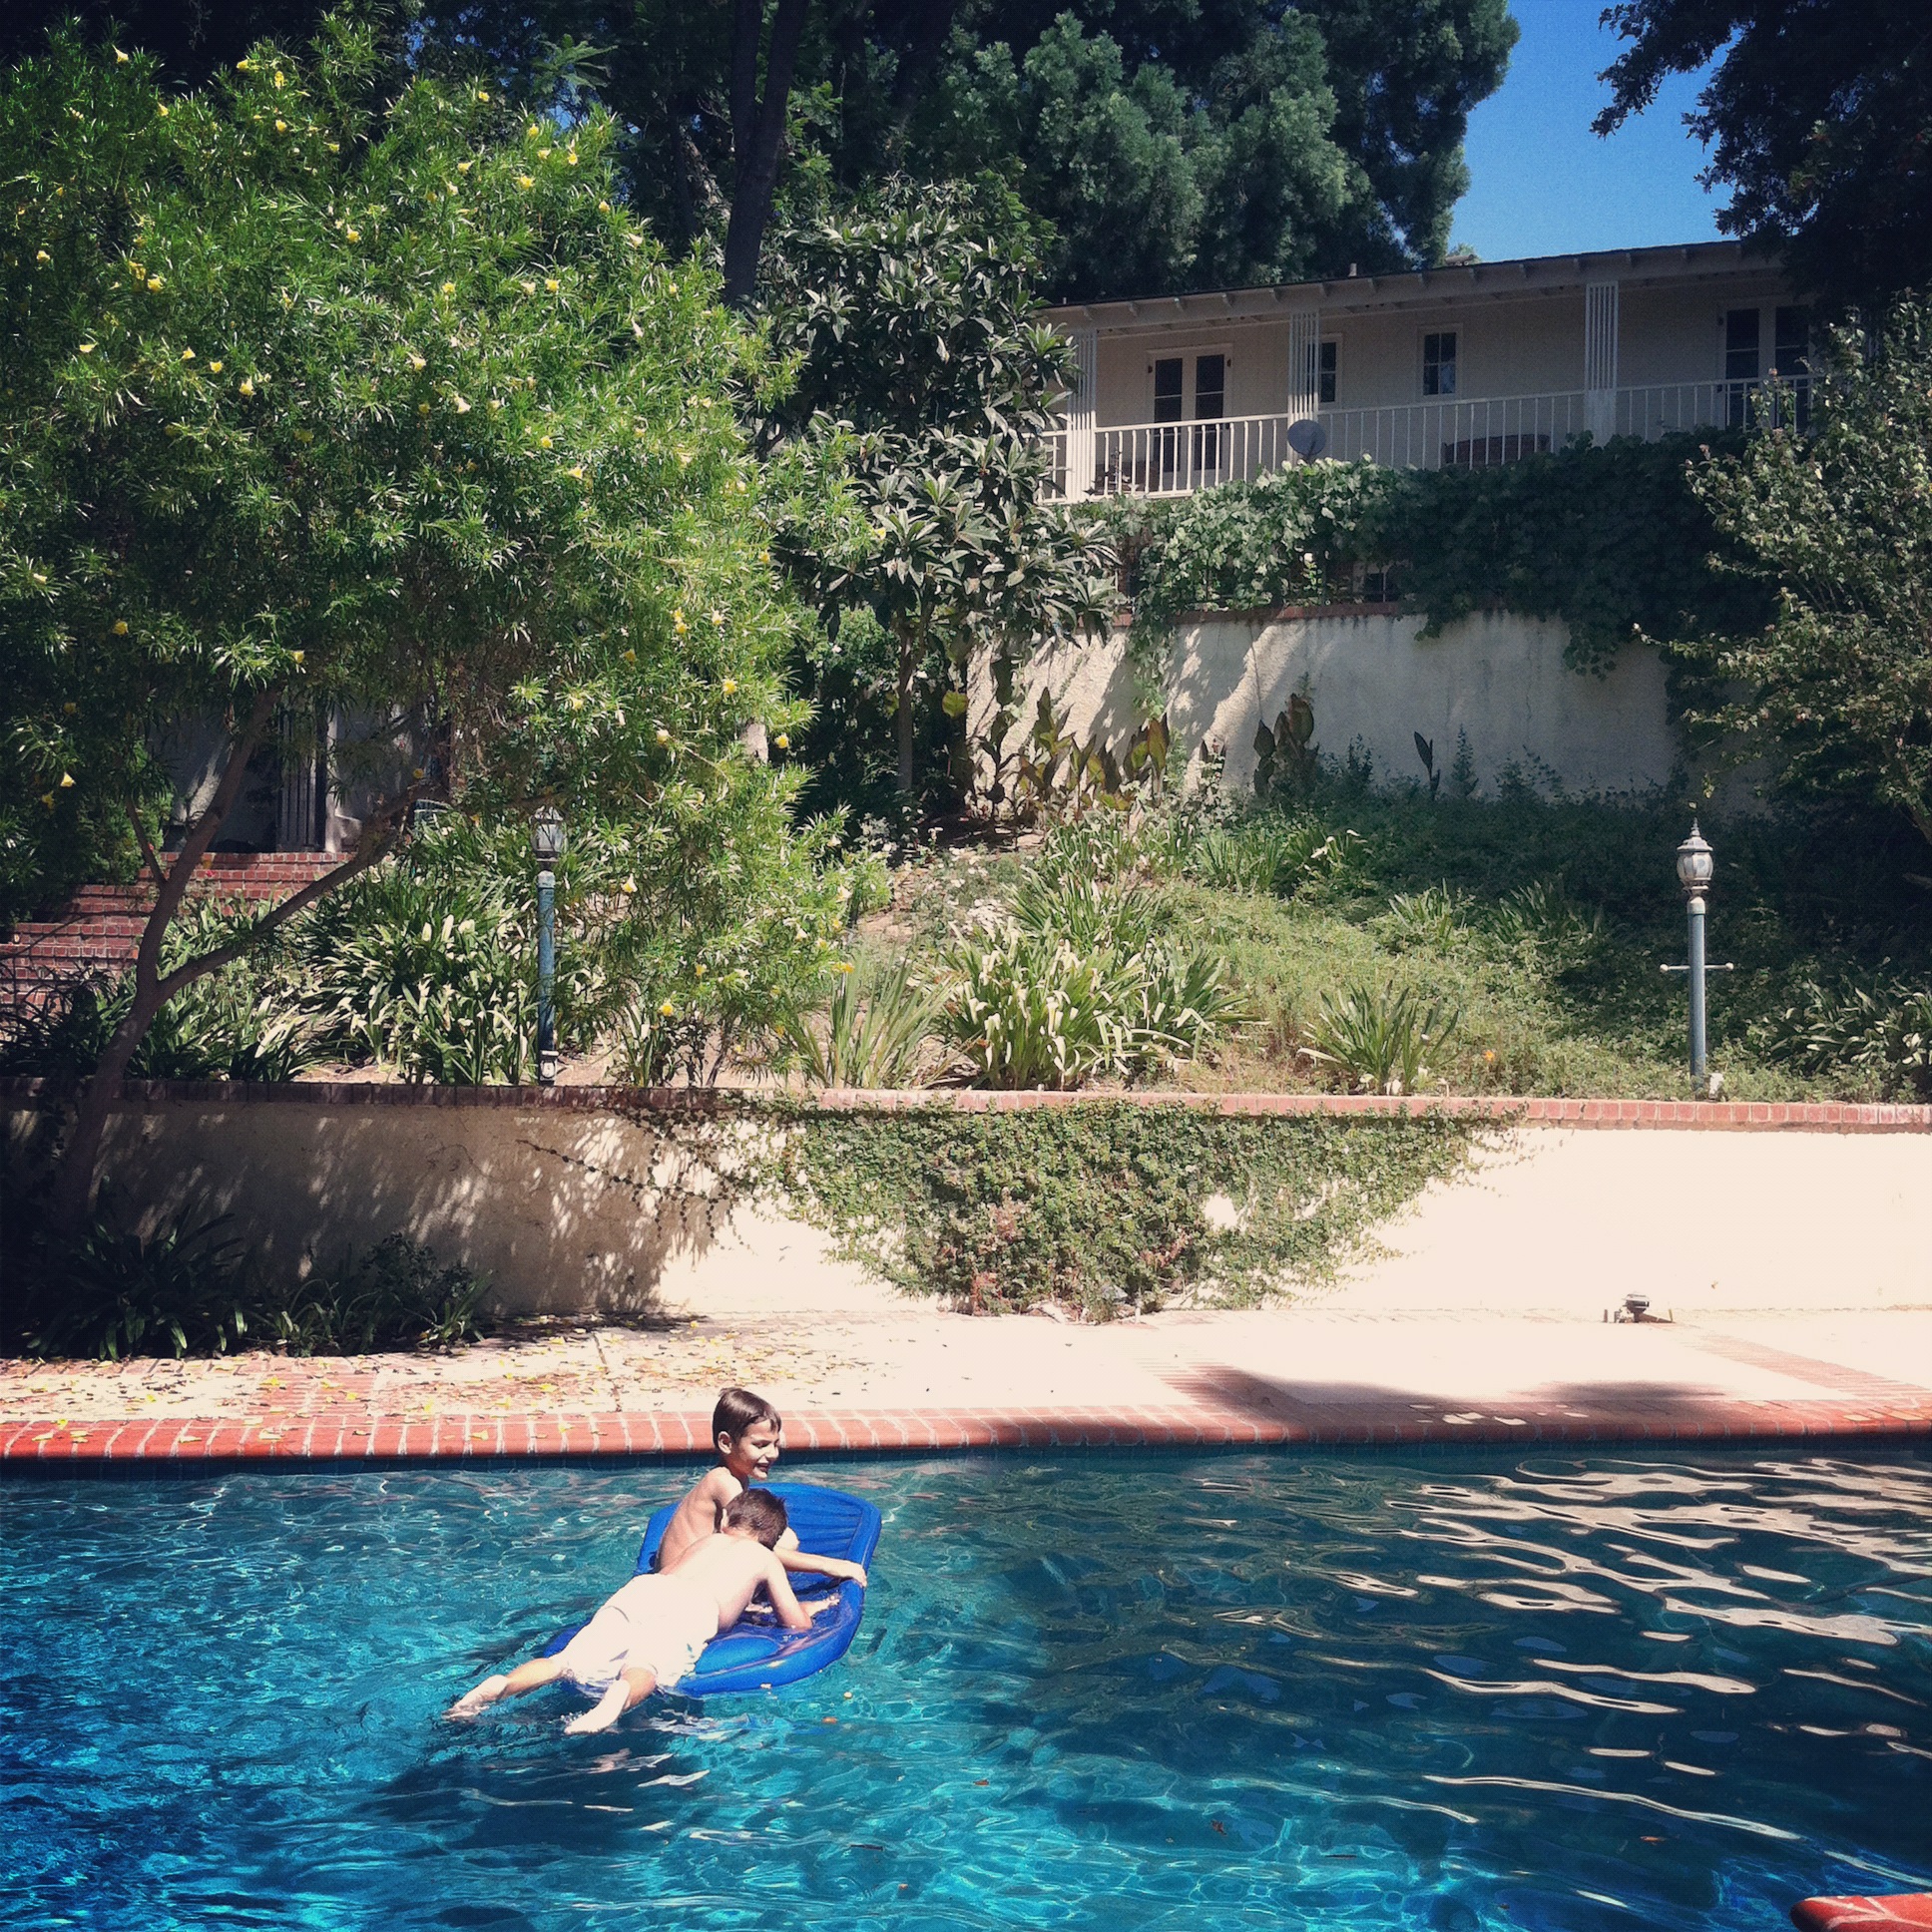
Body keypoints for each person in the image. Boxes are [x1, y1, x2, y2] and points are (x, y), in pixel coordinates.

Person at [446, 1489, 830, 1735]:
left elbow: (675, 1578)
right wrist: (814, 1609)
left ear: (727, 1519)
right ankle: (619, 1697)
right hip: (692, 1609)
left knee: (566, 1660)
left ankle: (502, 1685)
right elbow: (794, 1623)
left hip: (643, 1591)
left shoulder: (705, 1542)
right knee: (648, 1664)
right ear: (771, 1540)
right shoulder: (765, 1557)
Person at [655, 1386, 867, 1589]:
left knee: (785, 1538)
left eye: (775, 1444)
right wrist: (827, 1565)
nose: (773, 1453)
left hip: (684, 1574)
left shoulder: (734, 1477)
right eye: (761, 1445)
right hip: (680, 1584)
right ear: (726, 1443)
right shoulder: (724, 1483)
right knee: (777, 1546)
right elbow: (754, 1547)